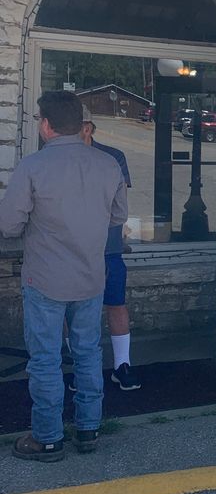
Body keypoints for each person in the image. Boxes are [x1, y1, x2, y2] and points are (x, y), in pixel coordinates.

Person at [0, 91, 127, 461]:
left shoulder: (33, 166)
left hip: (45, 280)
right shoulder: (109, 165)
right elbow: (118, 217)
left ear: (45, 124)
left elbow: (8, 226)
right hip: (90, 277)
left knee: (45, 360)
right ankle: (88, 429)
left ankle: (48, 437)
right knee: (87, 354)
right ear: (79, 123)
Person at [80, 119, 141, 391]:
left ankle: (122, 365)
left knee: (116, 303)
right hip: (73, 250)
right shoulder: (52, 157)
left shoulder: (113, 156)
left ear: (89, 127)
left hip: (108, 247)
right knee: (75, 309)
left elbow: (119, 206)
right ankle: (80, 366)